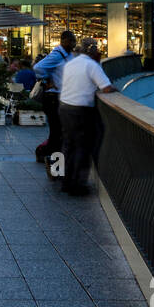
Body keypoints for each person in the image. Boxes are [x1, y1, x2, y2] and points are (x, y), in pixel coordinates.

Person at [58, 37, 116, 195]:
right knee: (83, 147)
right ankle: (77, 186)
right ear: (92, 51)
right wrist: (116, 90)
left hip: (64, 108)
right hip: (81, 110)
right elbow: (106, 87)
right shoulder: (92, 65)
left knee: (69, 146)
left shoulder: (70, 64)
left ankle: (66, 182)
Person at [31, 31, 77, 163]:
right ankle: (52, 160)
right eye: (71, 41)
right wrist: (48, 80)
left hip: (62, 98)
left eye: (74, 41)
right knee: (58, 131)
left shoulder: (68, 55)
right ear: (63, 40)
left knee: (59, 131)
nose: (73, 44)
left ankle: (48, 155)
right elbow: (38, 68)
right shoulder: (57, 55)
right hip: (53, 98)